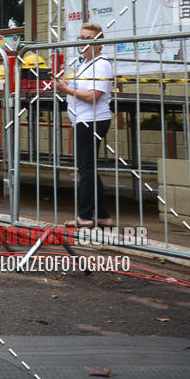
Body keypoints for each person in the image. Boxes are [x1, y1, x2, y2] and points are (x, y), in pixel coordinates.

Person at [56, 22, 113, 228]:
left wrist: (67, 90)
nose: (84, 43)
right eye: (82, 39)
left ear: (99, 44)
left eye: (90, 40)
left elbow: (93, 96)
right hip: (84, 120)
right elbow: (82, 91)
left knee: (86, 168)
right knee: (89, 167)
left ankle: (85, 217)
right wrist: (65, 86)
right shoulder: (84, 64)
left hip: (93, 120)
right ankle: (103, 216)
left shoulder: (102, 64)